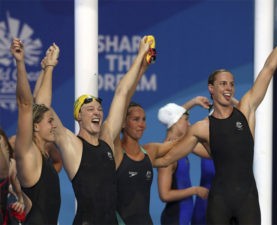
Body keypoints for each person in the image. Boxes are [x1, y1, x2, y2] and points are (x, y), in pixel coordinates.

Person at [160, 8, 277, 225]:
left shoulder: (245, 110)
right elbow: (168, 155)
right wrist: (138, 157)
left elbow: (268, 68)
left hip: (247, 200)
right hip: (220, 201)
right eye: (223, 83)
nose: (229, 88)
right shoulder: (202, 127)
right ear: (211, 88)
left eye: (232, 84)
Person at [50, 36, 153, 225]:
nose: (97, 112)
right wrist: (48, 68)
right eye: (90, 109)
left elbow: (122, 91)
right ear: (78, 116)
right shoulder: (72, 144)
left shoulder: (106, 139)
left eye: (99, 109)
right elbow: (42, 107)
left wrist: (140, 55)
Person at [114, 97, 209, 225]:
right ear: (123, 123)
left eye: (143, 119)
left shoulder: (156, 150)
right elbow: (164, 194)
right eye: (136, 119)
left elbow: (191, 138)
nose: (141, 124)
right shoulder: (119, 154)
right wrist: (195, 190)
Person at [11, 39, 61, 225]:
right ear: (35, 126)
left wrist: (48, 68)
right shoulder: (27, 153)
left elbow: (42, 107)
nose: (54, 125)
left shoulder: (43, 153)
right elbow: (25, 105)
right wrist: (20, 62)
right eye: (50, 122)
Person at [157, 97, 211, 225]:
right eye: (186, 120)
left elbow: (210, 153)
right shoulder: (168, 153)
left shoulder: (181, 147)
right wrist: (195, 190)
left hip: (182, 219)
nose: (189, 124)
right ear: (175, 123)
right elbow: (164, 195)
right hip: (174, 219)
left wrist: (194, 102)